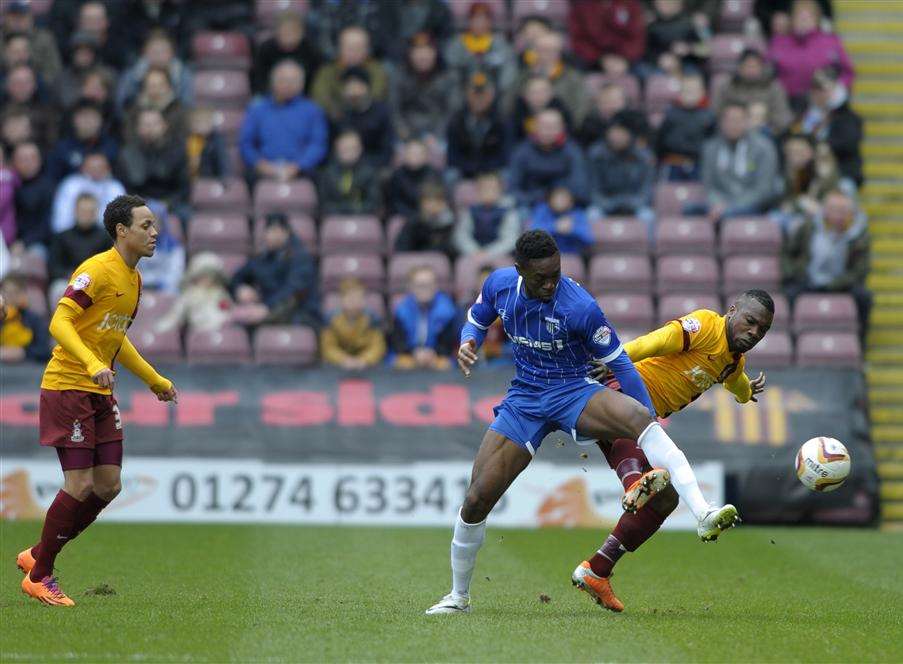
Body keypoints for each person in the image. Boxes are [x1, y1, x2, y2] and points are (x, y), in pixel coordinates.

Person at [425, 230, 739, 615]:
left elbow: (621, 363)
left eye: (556, 273)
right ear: (520, 270)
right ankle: (459, 598)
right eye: (541, 277)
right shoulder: (500, 285)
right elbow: (476, 318)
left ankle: (702, 511)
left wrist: (646, 416)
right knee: (476, 499)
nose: (551, 283)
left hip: (573, 389)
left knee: (640, 416)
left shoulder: (580, 306)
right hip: (525, 398)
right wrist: (468, 341)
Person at [15, 194, 178, 607]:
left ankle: (38, 554)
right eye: (145, 226)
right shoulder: (97, 270)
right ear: (121, 231)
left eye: (154, 225)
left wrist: (155, 380)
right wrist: (89, 363)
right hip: (69, 385)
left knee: (108, 485)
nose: (154, 232)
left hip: (99, 390)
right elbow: (59, 321)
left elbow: (115, 339)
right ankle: (40, 574)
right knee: (80, 483)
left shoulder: (134, 280)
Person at [580, 291, 773, 610]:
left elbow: (735, 380)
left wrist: (745, 392)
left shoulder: (734, 360)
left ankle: (598, 569)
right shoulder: (706, 325)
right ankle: (633, 486)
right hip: (619, 386)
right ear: (732, 310)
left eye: (762, 330)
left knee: (667, 498)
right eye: (750, 322)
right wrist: (615, 358)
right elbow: (656, 341)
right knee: (635, 418)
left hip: (643, 419)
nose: (754, 333)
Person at [781, 189, 871, 333]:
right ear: (824, 211)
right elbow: (788, 252)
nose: (838, 216)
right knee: (789, 294)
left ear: (851, 213)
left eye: (843, 211)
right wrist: (793, 272)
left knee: (864, 297)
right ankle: (793, 339)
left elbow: (860, 270)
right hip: (808, 281)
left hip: (841, 285)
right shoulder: (809, 227)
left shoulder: (859, 235)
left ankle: (859, 342)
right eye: (834, 210)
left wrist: (836, 284)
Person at [240, 60, 329, 182]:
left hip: (301, 170)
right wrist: (261, 165)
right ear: (273, 82)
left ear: (301, 84)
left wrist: (298, 167)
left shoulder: (313, 111)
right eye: (283, 80)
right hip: (263, 169)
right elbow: (246, 144)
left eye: (293, 81)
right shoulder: (257, 109)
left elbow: (317, 144)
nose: (287, 85)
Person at [230, 213, 320, 328]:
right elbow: (236, 277)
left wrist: (267, 307)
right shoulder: (263, 259)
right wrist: (240, 288)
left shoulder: (301, 257)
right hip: (267, 312)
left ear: (286, 232)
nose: (272, 235)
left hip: (300, 315)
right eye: (269, 230)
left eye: (277, 230)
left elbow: (294, 289)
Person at [700, 103, 781, 221]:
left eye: (738, 120)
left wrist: (731, 206)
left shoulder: (764, 147)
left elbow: (764, 188)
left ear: (747, 121)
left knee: (727, 215)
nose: (733, 125)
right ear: (721, 123)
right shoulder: (711, 148)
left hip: (754, 204)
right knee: (690, 210)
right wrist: (718, 204)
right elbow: (709, 185)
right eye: (729, 120)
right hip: (719, 205)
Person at [768, 0, 854, 108]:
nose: (803, 21)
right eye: (799, 17)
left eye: (808, 17)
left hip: (823, 102)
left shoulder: (831, 41)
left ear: (817, 19)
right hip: (786, 103)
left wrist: (837, 89)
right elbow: (767, 71)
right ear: (792, 19)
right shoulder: (779, 42)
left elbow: (848, 72)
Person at [509, 108, 589, 209]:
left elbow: (580, 188)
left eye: (552, 127)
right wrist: (536, 199)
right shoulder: (522, 151)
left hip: (564, 205)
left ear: (562, 128)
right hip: (529, 204)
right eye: (544, 126)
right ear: (535, 127)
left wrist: (560, 199)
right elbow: (513, 188)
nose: (547, 131)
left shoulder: (573, 152)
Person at [588, 115, 656, 232]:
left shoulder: (644, 157)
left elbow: (647, 189)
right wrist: (608, 205)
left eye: (621, 132)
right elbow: (593, 189)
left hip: (635, 204)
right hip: (605, 204)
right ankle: (591, 250)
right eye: (614, 132)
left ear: (630, 134)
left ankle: (649, 250)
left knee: (648, 216)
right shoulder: (596, 155)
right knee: (592, 215)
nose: (617, 137)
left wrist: (632, 205)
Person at [797, 66, 863, 187]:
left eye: (825, 90)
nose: (821, 94)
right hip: (806, 172)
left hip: (841, 172)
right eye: (817, 89)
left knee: (845, 188)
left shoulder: (848, 117)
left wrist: (818, 147)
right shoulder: (803, 114)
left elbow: (848, 143)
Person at [390, 31, 460, 142]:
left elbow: (453, 110)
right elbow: (394, 109)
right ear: (410, 54)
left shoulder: (448, 76)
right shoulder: (400, 74)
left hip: (440, 133)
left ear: (435, 53)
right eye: (417, 51)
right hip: (407, 133)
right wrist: (405, 134)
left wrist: (437, 135)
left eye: (427, 51)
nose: (422, 56)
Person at [117, 108, 190, 214]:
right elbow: (123, 187)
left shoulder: (177, 152)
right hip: (136, 205)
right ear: (138, 128)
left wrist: (168, 203)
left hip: (171, 205)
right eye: (145, 124)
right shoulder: (128, 153)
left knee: (185, 214)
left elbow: (183, 187)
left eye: (155, 124)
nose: (150, 128)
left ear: (165, 126)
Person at [311, 26, 389, 122]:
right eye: (349, 48)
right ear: (340, 48)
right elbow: (320, 100)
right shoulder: (327, 72)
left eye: (358, 48)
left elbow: (377, 96)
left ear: (367, 49)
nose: (354, 52)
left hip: (370, 123)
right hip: (335, 123)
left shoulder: (377, 70)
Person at [446, 71, 511, 182]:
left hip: (493, 172)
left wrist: (484, 171)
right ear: (467, 95)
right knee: (450, 175)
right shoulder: (457, 120)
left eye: (484, 94)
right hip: (464, 172)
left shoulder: (502, 120)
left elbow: (505, 155)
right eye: (475, 94)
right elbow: (452, 156)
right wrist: (471, 169)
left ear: (491, 96)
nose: (479, 99)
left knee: (507, 175)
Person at [712, 49, 793, 137]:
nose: (751, 70)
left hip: (767, 134)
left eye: (754, 66)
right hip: (730, 133)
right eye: (747, 66)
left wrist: (765, 125)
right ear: (739, 67)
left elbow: (783, 117)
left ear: (762, 67)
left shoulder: (774, 87)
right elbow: (716, 113)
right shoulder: (727, 86)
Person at [390, 265, 457, 371]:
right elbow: (398, 343)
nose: (425, 290)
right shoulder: (401, 310)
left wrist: (432, 353)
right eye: (420, 285)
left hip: (436, 355)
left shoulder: (447, 310)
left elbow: (449, 344)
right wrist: (415, 352)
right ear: (411, 287)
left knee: (445, 365)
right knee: (401, 363)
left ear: (436, 286)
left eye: (429, 285)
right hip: (410, 354)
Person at [513, 31, 587, 125]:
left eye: (551, 50)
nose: (546, 54)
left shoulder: (573, 78)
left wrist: (569, 128)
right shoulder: (523, 76)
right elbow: (509, 104)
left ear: (560, 52)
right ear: (534, 51)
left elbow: (581, 108)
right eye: (542, 50)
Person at [48, 193, 111, 303]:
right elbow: (53, 267)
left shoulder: (105, 238)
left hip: (97, 282)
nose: (86, 215)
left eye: (89, 212)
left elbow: (111, 266)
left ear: (96, 213)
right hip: (68, 281)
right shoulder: (62, 237)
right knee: (58, 289)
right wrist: (71, 276)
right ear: (75, 211)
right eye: (83, 211)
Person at [114, 29, 193, 116]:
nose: (158, 56)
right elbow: (121, 106)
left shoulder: (183, 75)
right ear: (144, 53)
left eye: (163, 51)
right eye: (154, 52)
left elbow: (187, 105)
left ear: (172, 53)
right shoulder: (132, 75)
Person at [655, 71, 716, 181]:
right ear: (680, 93)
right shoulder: (671, 114)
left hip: (700, 165)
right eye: (686, 91)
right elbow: (660, 141)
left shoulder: (709, 116)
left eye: (693, 91)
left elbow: (713, 143)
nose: (689, 94)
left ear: (702, 92)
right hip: (673, 163)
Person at [444, 1, 516, 92]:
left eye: (484, 19)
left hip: (494, 90)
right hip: (463, 89)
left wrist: (501, 89)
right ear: (469, 21)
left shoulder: (500, 43)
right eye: (475, 18)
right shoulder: (458, 42)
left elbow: (508, 69)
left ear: (490, 21)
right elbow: (451, 66)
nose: (479, 23)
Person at [154, 252, 233, 335]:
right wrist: (161, 327)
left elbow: (228, 313)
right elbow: (175, 316)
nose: (207, 279)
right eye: (203, 275)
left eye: (211, 275)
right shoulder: (189, 295)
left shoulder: (220, 294)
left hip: (220, 333)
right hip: (198, 335)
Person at [331, 66, 394, 167]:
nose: (353, 92)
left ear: (367, 88)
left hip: (374, 165)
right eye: (348, 87)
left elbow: (387, 148)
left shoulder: (381, 112)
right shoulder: (341, 114)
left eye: (357, 86)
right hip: (345, 165)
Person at [321, 277, 386, 370]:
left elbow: (378, 346)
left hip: (367, 366)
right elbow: (328, 348)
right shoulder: (331, 319)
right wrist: (344, 360)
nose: (355, 302)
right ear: (342, 300)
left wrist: (364, 360)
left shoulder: (373, 319)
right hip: (338, 366)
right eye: (351, 297)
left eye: (359, 297)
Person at [51, 152, 125, 234]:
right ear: (83, 168)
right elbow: (61, 219)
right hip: (72, 235)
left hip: (105, 236)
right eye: (92, 168)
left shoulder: (115, 187)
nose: (97, 171)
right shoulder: (71, 185)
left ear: (108, 169)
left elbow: (120, 220)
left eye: (100, 167)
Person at [46, 100, 118, 184]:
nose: (88, 121)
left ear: (100, 120)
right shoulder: (62, 148)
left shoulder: (111, 146)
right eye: (83, 116)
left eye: (92, 116)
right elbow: (53, 180)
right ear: (74, 119)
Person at [252, 9, 322, 95]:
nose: (289, 35)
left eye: (293, 31)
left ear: (301, 33)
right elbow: (259, 79)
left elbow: (316, 81)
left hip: (304, 97)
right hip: (271, 96)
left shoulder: (311, 51)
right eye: (285, 31)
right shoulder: (265, 49)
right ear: (277, 32)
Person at [453, 172, 519, 258]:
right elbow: (462, 235)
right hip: (473, 254)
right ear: (477, 191)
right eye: (484, 189)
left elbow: (510, 239)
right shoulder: (470, 210)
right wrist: (474, 251)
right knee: (465, 265)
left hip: (501, 255)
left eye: (493, 189)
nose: (488, 192)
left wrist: (489, 253)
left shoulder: (508, 211)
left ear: (501, 190)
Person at [567, 0, 645, 72]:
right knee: (575, 71)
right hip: (591, 60)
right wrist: (600, 58)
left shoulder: (630, 4)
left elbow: (637, 38)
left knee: (644, 72)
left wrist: (624, 58)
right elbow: (578, 40)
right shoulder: (581, 6)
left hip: (625, 59)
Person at [317, 129, 382, 216]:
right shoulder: (328, 174)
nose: (349, 153)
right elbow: (324, 204)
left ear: (360, 149)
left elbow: (374, 203)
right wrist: (343, 210)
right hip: (335, 219)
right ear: (336, 150)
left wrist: (353, 210)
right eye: (345, 149)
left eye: (353, 149)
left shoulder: (369, 173)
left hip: (363, 218)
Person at [643, 0, 709, 78]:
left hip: (687, 65)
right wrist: (659, 59)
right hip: (659, 66)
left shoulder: (690, 24)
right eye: (661, 3)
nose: (665, 6)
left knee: (693, 76)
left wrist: (689, 48)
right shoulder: (651, 26)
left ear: (678, 4)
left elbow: (706, 50)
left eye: (669, 3)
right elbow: (646, 51)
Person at [123, 66, 189, 143]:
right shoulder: (135, 109)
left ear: (169, 86)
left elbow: (181, 138)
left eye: (160, 85)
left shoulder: (178, 110)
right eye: (151, 85)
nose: (156, 89)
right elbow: (129, 135)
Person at [576, 82, 650, 149]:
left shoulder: (636, 118)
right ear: (598, 103)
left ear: (624, 101)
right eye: (605, 101)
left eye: (614, 101)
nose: (610, 105)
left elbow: (645, 141)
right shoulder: (590, 122)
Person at [394, 180, 456, 258]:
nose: (433, 205)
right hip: (414, 262)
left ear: (444, 203)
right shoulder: (413, 223)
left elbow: (452, 251)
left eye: (437, 200)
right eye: (429, 201)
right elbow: (401, 247)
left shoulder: (450, 223)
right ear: (421, 203)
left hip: (439, 264)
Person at [11, 142, 54, 252]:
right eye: (23, 159)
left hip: (36, 243)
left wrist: (24, 243)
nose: (28, 163)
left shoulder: (48, 187)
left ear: (40, 160)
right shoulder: (7, 185)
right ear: (14, 162)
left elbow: (47, 225)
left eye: (32, 158)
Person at [0, 273, 50, 363]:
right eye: (6, 292)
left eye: (15, 292)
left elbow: (44, 350)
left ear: (23, 293)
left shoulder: (35, 320)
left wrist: (23, 352)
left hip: (27, 370)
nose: (10, 297)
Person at [384, 137, 440, 218]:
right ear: (405, 155)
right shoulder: (397, 175)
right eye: (411, 153)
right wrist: (412, 215)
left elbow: (438, 199)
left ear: (425, 155)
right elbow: (393, 202)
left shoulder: (433, 174)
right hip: (403, 216)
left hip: (429, 215)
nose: (414, 157)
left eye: (418, 154)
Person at [530, 186, 593, 255]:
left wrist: (572, 229)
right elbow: (533, 233)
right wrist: (555, 227)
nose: (560, 202)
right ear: (550, 200)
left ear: (571, 202)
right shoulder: (542, 211)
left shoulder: (578, 214)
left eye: (564, 199)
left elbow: (589, 239)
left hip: (571, 256)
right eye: (557, 199)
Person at [511, 74, 573, 143]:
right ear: (524, 94)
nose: (539, 96)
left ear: (552, 93)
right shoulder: (515, 114)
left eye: (543, 91)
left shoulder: (562, 113)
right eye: (534, 92)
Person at [186, 107, 230, 180]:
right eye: (196, 121)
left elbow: (223, 166)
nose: (199, 126)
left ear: (211, 124)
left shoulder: (216, 142)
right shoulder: (187, 140)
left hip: (208, 181)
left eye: (203, 122)